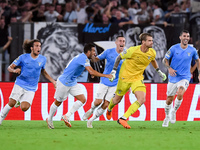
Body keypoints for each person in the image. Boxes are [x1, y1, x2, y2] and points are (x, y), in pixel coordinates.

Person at [106, 33, 167, 129]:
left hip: (137, 78)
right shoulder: (132, 50)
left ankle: (123, 118)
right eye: (149, 40)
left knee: (142, 99)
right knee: (117, 100)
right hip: (125, 77)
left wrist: (158, 71)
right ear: (143, 42)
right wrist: (113, 71)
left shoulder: (152, 52)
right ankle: (109, 108)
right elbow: (119, 57)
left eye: (152, 40)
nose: (152, 42)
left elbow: (152, 60)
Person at [46, 43, 113, 129]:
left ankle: (67, 115)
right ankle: (50, 119)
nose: (94, 53)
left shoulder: (83, 58)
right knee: (58, 102)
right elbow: (91, 71)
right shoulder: (83, 58)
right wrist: (106, 75)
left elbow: (82, 68)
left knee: (82, 99)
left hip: (72, 82)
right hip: (64, 82)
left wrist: (92, 73)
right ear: (88, 52)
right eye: (93, 51)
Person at [0, 39, 56, 125]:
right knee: (11, 102)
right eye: (36, 46)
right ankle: (1, 119)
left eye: (40, 46)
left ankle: (19, 100)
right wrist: (14, 71)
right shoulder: (23, 57)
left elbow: (43, 72)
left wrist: (53, 81)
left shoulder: (43, 59)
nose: (39, 48)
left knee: (24, 108)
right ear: (31, 48)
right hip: (20, 83)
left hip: (32, 87)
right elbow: (9, 67)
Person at [82, 36, 126, 128]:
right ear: (116, 42)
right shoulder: (108, 52)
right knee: (98, 102)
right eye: (120, 41)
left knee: (106, 104)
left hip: (115, 83)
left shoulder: (127, 54)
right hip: (105, 81)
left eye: (124, 41)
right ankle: (91, 110)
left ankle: (91, 120)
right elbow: (96, 59)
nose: (122, 43)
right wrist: (92, 57)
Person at [162, 30, 200, 127]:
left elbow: (197, 60)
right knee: (169, 99)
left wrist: (199, 73)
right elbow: (164, 60)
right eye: (184, 36)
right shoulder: (174, 48)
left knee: (180, 93)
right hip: (173, 77)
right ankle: (166, 117)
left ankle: (174, 111)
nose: (186, 38)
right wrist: (169, 68)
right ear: (180, 37)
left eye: (187, 36)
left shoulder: (192, 50)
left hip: (185, 77)